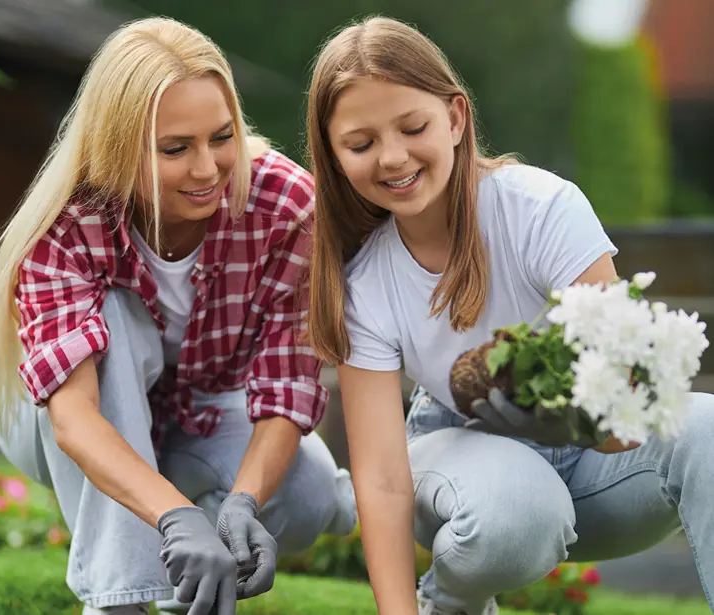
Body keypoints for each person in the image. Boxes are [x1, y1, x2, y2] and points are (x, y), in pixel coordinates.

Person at [305, 15, 714, 615]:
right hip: (463, 469)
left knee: (707, 427)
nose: (392, 157)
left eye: (412, 126)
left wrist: (572, 425)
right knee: (520, 510)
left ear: (454, 117)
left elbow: (632, 412)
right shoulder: (365, 282)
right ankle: (448, 604)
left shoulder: (541, 210)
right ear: (334, 156)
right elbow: (386, 480)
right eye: (361, 144)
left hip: (597, 472)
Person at [0, 16, 356, 615]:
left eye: (221, 137)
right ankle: (119, 601)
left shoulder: (284, 207)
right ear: (119, 145)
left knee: (307, 494)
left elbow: (285, 386)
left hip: (194, 413)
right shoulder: (69, 226)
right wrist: (176, 517)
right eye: (175, 148)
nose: (207, 170)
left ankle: (183, 577)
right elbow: (73, 421)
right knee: (116, 317)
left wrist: (242, 505)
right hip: (54, 424)